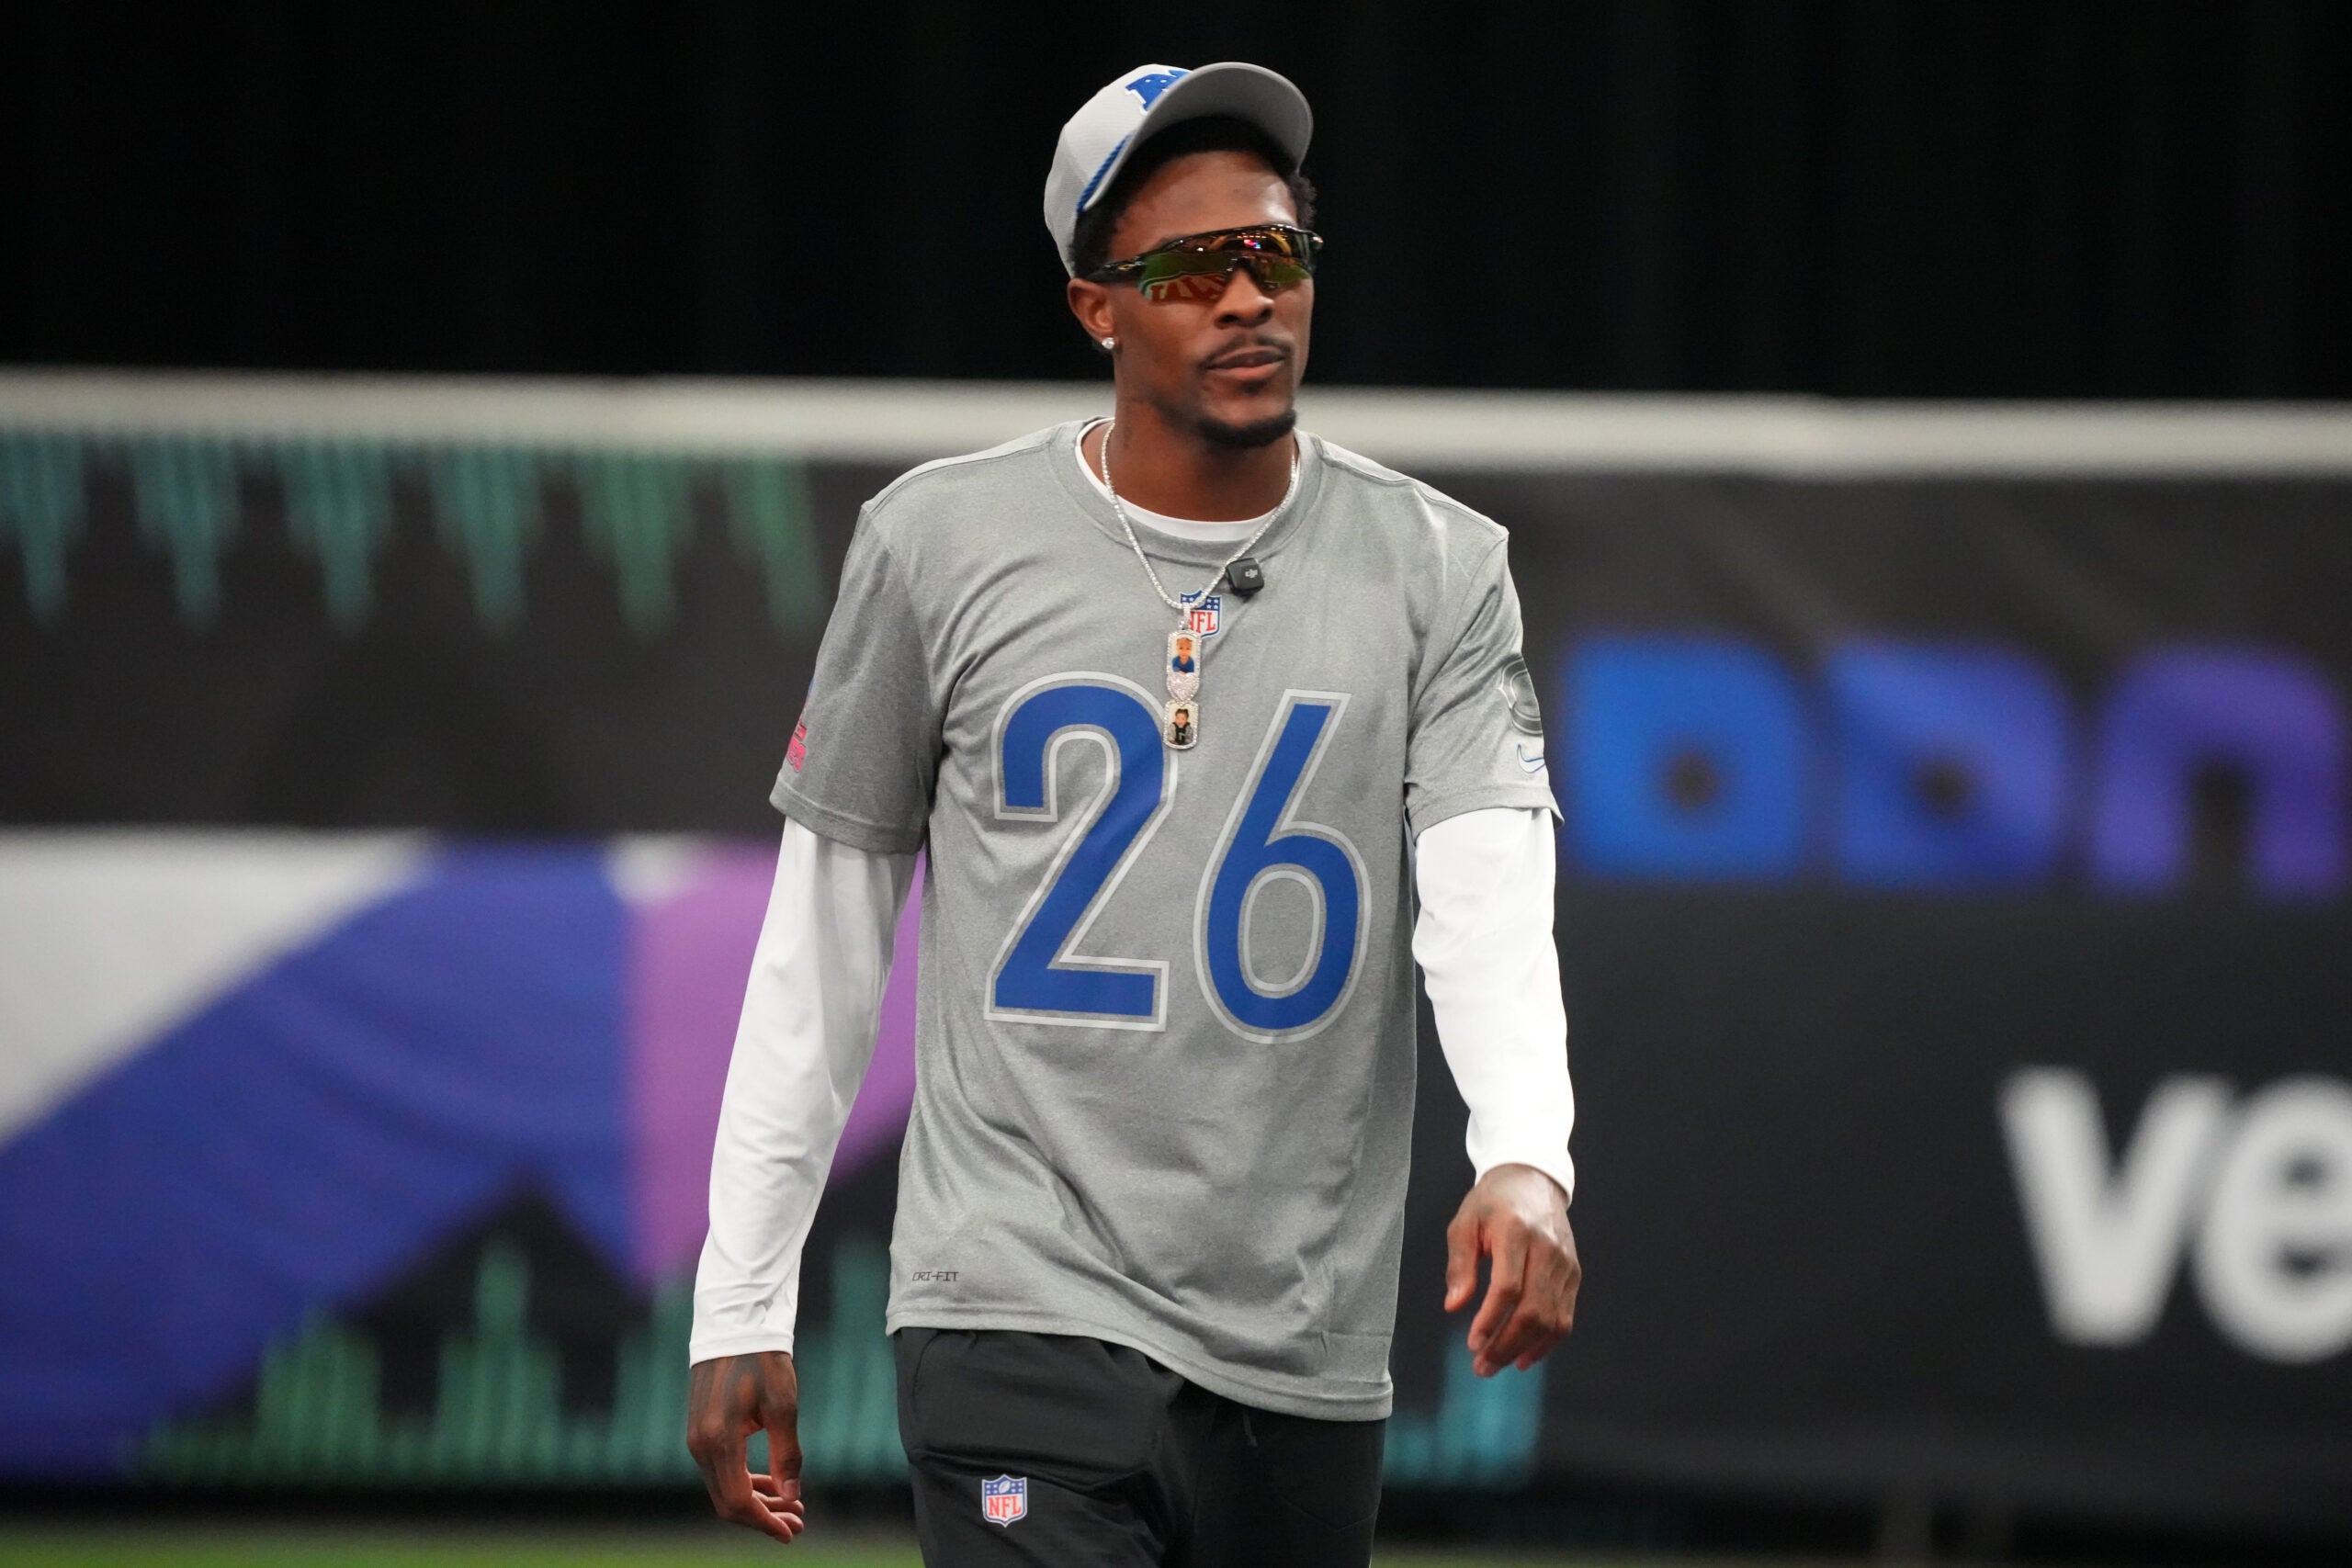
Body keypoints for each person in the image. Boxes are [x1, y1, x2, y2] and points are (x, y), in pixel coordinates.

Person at [687, 62, 1579, 1567]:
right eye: (1188, 267)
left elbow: (1486, 892)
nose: (1247, 297)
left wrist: (1528, 1156)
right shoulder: (935, 545)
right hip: (1013, 1301)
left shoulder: (1441, 566)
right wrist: (740, 1293)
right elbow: (825, 947)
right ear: (1096, 307)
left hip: (1299, 1335)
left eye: (1275, 253)